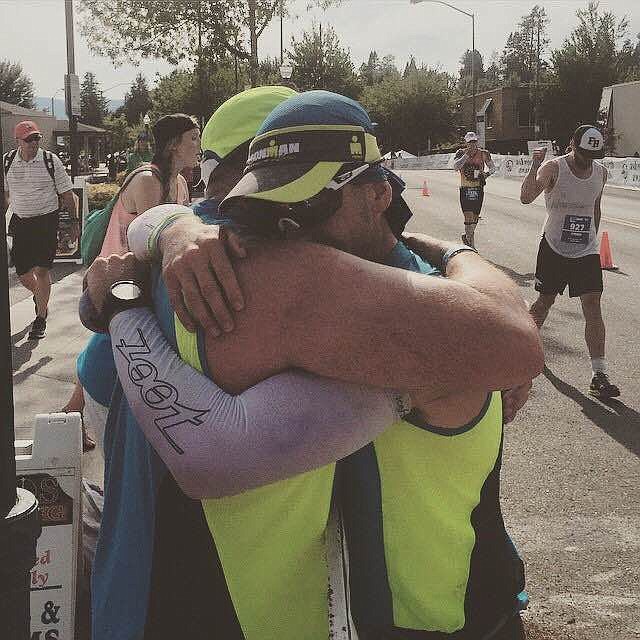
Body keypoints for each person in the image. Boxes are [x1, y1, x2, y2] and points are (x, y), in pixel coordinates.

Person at [84, 90, 542, 640]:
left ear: (377, 194)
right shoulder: (241, 269)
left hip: (153, 598)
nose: (290, 230)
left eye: (309, 205)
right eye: (270, 207)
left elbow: (513, 343)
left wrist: (128, 295)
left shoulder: (213, 267)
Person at [63, 114, 200, 451]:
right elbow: (151, 246)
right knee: (106, 347)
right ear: (172, 145)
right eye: (193, 138)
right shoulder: (147, 181)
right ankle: (72, 416)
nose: (199, 145)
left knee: (107, 348)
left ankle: (70, 416)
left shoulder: (179, 183)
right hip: (115, 279)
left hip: (137, 282)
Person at [521, 124, 620, 399]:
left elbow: (595, 207)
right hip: (553, 247)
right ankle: (525, 353)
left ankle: (599, 373)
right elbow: (526, 197)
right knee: (543, 303)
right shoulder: (554, 168)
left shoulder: (601, 172)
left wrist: (591, 239)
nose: (587, 161)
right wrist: (534, 165)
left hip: (585, 250)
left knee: (593, 304)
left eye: (592, 155)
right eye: (583, 154)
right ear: (572, 145)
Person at [3, 120, 79, 340]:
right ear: (18, 141)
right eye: (29, 139)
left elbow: (67, 194)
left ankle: (41, 317)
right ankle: (40, 295)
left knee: (42, 271)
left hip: (46, 221)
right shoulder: (7, 161)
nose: (34, 143)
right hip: (21, 222)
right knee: (23, 273)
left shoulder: (49, 160)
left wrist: (73, 223)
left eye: (37, 138)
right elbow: (5, 196)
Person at [452, 131, 496, 249]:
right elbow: (455, 167)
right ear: (466, 143)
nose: (472, 144)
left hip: (478, 188)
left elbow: (493, 168)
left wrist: (486, 174)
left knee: (475, 218)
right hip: (465, 188)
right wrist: (466, 155)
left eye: (474, 141)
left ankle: (467, 236)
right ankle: (472, 246)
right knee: (468, 217)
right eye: (470, 142)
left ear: (477, 141)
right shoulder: (460, 153)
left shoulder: (484, 153)